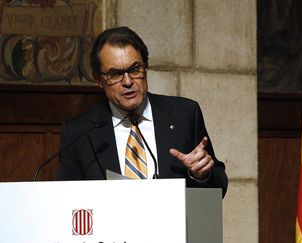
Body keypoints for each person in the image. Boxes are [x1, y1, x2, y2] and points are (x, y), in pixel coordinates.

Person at [57, 26, 228, 197]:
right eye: (115, 74)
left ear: (146, 67)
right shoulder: (79, 132)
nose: (128, 82)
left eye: (134, 69)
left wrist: (201, 175)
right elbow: (66, 200)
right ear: (98, 79)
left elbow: (219, 187)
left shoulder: (184, 115)